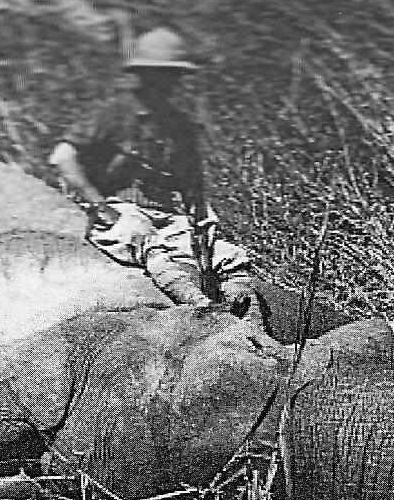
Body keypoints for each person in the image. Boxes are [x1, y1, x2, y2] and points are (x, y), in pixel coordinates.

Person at [48, 26, 258, 314]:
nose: (164, 82)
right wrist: (98, 205)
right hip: (120, 209)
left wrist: (201, 222)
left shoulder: (180, 126)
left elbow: (191, 182)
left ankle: (247, 315)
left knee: (227, 256)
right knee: (145, 242)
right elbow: (62, 157)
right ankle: (198, 308)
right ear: (140, 74)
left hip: (167, 214)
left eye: (171, 75)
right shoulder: (113, 113)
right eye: (156, 74)